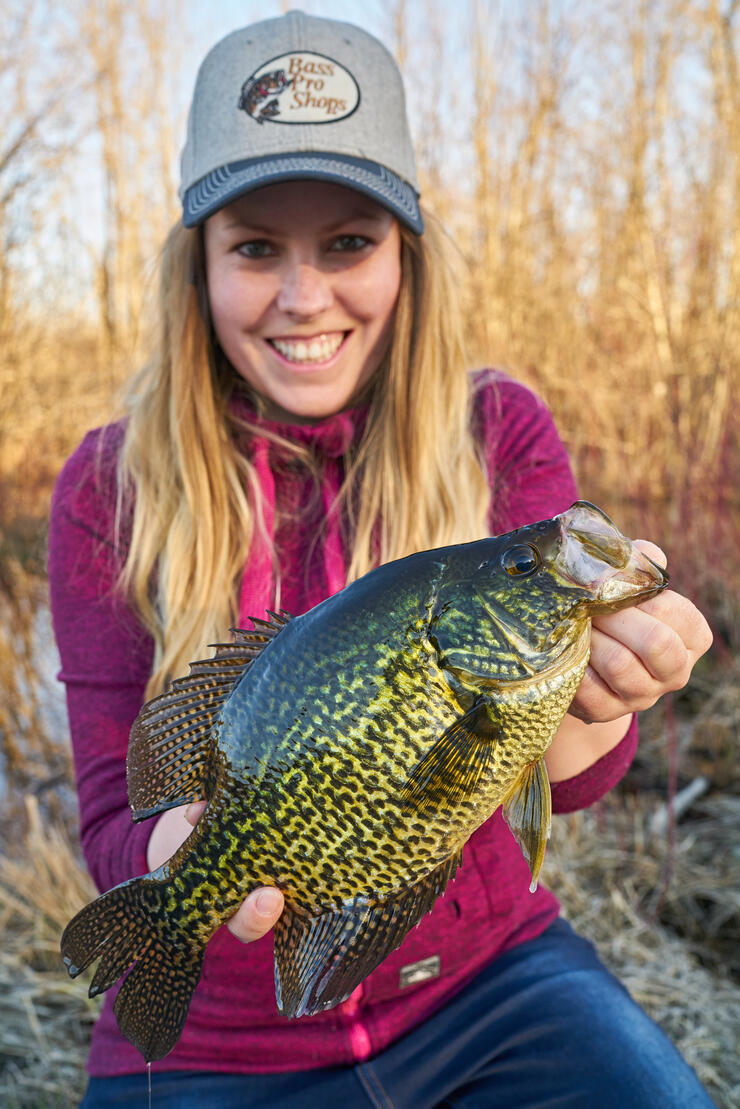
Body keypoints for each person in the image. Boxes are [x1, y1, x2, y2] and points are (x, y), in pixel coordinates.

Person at [49, 11, 715, 1108]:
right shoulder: (105, 486)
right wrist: (175, 851)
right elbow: (115, 817)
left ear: (405, 252)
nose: (303, 297)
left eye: (348, 241)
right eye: (255, 246)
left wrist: (599, 698)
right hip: (215, 1039)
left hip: (492, 983)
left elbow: (572, 778)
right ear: (197, 267)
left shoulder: (497, 427)